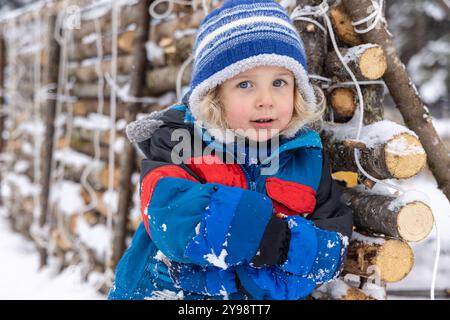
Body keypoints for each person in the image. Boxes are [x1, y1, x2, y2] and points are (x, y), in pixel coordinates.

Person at [108, 0, 353, 300]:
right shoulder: (178, 142)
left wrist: (284, 249)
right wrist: (261, 234)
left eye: (279, 82)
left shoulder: (307, 158)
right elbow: (171, 215)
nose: (266, 99)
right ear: (214, 95)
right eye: (245, 85)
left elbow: (330, 247)